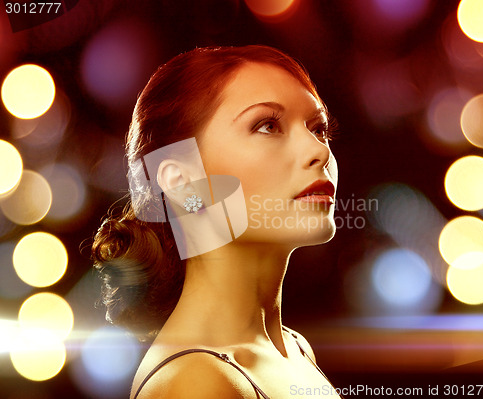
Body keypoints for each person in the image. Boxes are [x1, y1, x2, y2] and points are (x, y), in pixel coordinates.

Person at [92, 45, 340, 399]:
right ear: (182, 184)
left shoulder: (296, 350)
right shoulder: (195, 382)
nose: (320, 151)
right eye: (267, 125)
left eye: (318, 129)